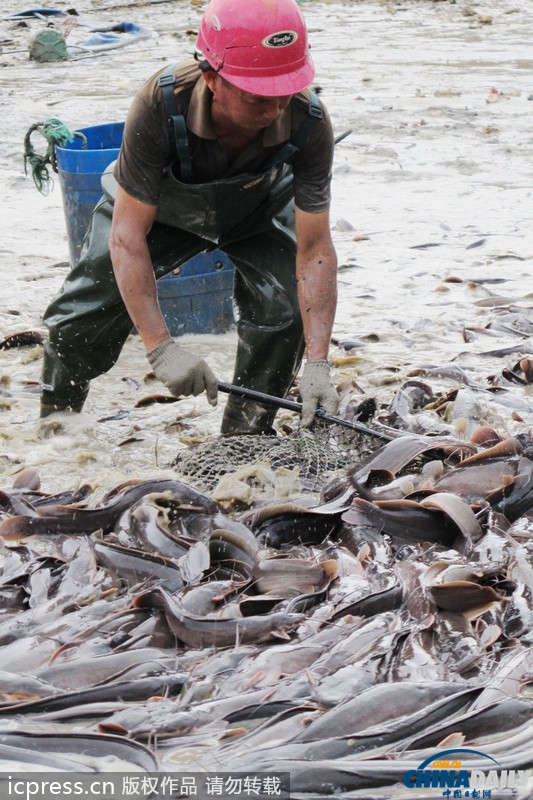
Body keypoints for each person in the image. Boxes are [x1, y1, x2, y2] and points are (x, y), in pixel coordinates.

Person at [40, 0, 340, 434]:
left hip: (255, 207)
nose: (274, 111)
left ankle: (245, 436)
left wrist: (318, 362)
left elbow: (314, 251)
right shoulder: (161, 104)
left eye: (284, 93)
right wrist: (160, 347)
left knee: (286, 308)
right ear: (211, 78)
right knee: (82, 312)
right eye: (258, 97)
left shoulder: (309, 121)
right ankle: (57, 424)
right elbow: (126, 237)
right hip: (158, 208)